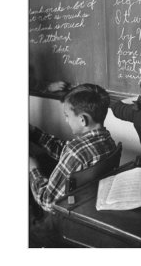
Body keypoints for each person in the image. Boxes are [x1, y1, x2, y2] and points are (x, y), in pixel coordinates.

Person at [29, 83, 117, 213]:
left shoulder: (75, 152)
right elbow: (64, 150)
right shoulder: (108, 141)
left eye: (67, 116)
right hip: (89, 204)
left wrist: (33, 169)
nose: (66, 120)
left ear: (82, 120)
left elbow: (47, 202)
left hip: (66, 216)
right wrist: (34, 132)